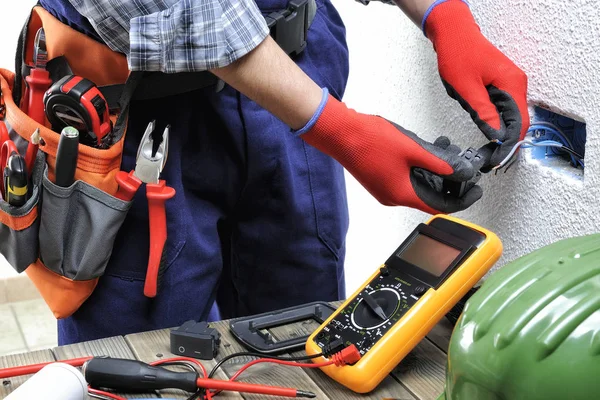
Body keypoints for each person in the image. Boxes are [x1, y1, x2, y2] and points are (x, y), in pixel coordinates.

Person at [35, 0, 528, 344]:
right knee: (136, 360)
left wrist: (444, 15)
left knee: (303, 345)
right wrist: (340, 130)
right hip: (130, 105)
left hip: (296, 78)